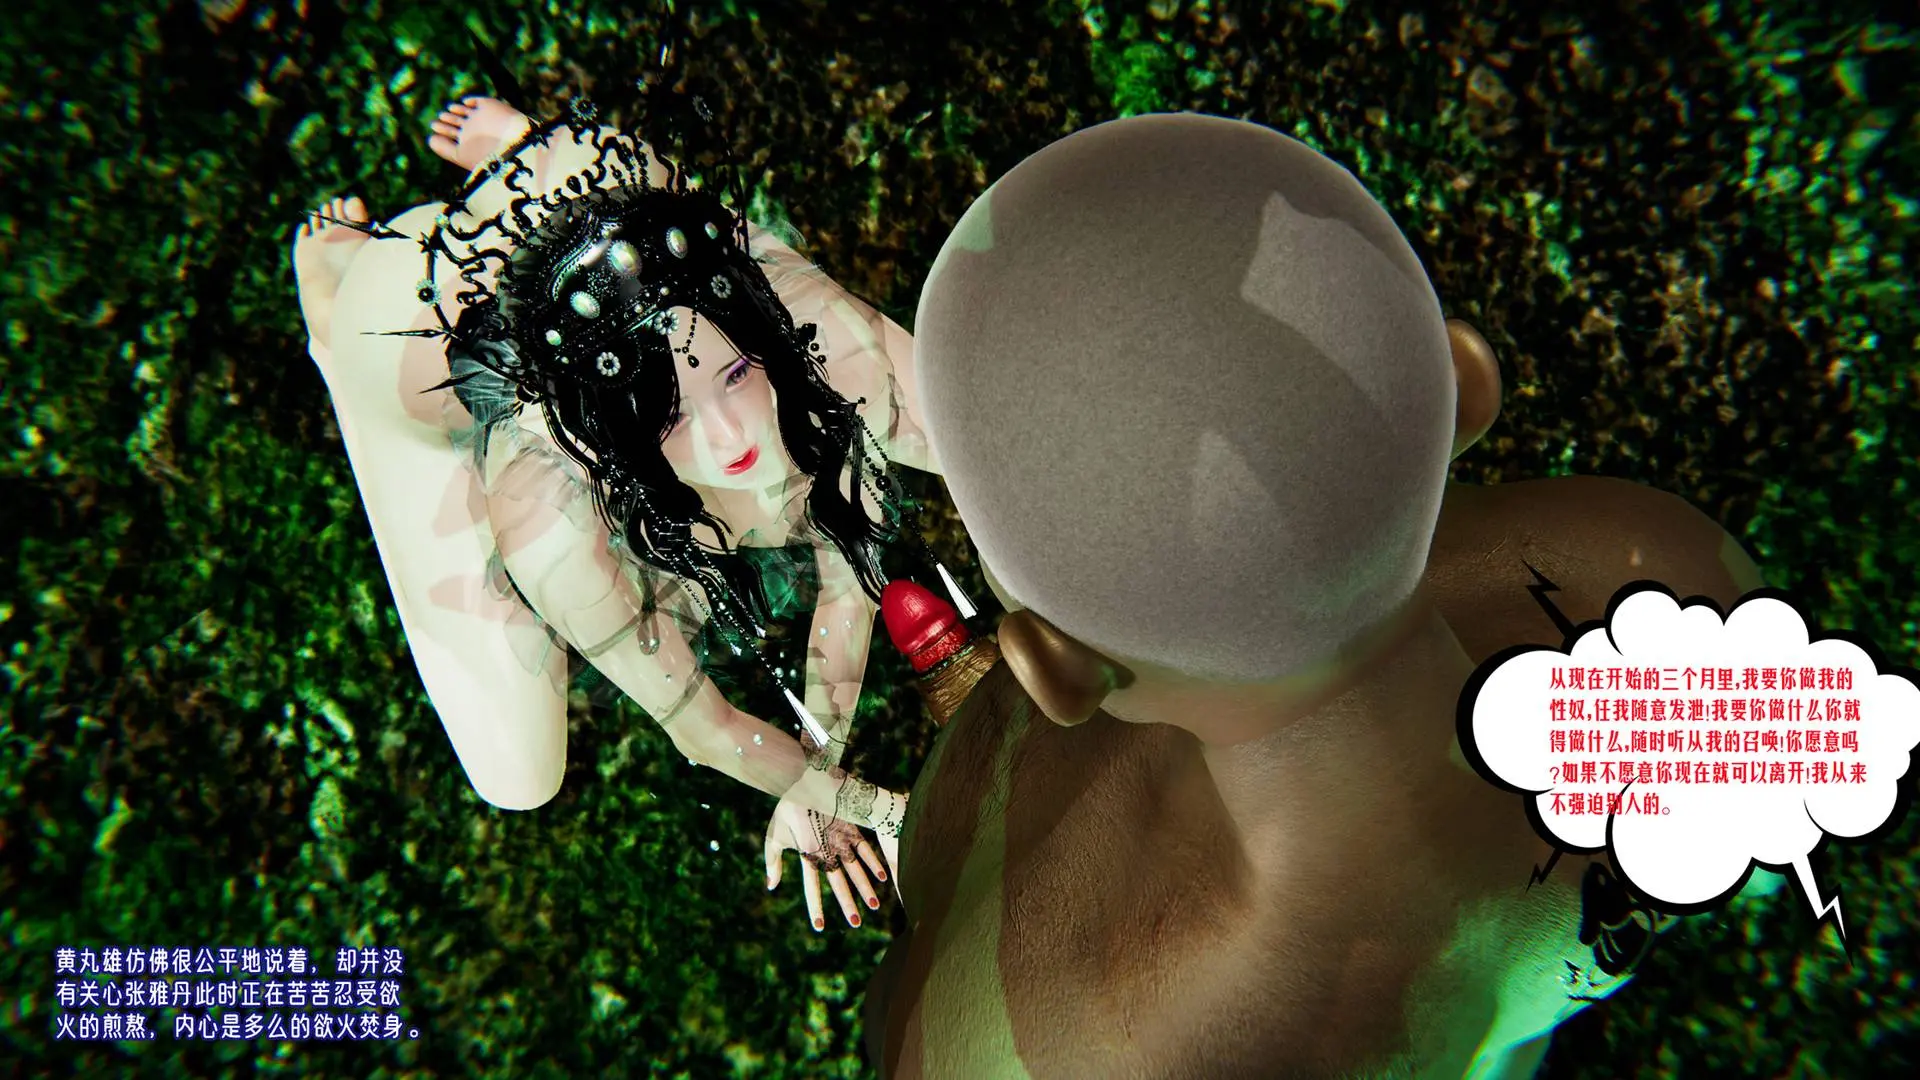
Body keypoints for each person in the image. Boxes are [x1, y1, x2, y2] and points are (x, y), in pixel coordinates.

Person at [866, 113, 1767, 1078]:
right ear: (1463, 388)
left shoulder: (1078, 1047)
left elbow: (896, 1029)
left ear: (1056, 669)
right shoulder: (1678, 584)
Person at [290, 95, 947, 932]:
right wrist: (864, 802)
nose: (730, 437)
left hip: (612, 218)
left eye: (738, 374)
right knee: (515, 773)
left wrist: (822, 779)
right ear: (606, 440)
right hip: (420, 322)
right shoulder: (549, 516)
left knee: (926, 415)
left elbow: (850, 572)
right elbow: (703, 728)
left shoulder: (808, 330)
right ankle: (338, 299)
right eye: (669, 419)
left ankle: (530, 162)